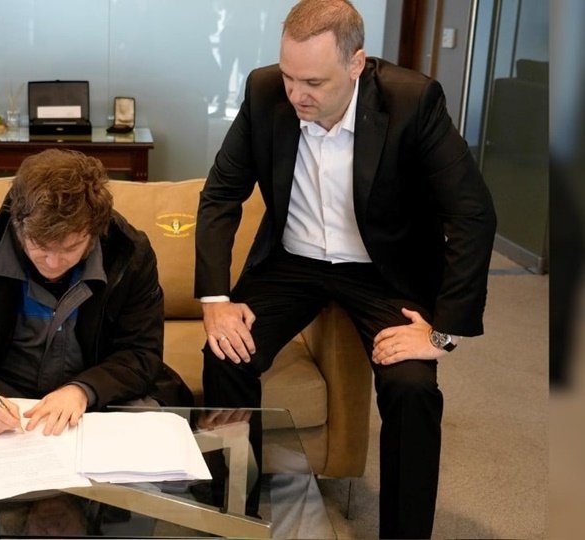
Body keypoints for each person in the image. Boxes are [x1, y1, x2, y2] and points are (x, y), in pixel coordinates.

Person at [194, 1, 497, 538]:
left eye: (313, 81)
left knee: (411, 387)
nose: (296, 94)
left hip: (383, 271)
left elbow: (472, 215)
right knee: (227, 349)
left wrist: (444, 332)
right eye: (289, 76)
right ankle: (235, 509)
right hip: (292, 262)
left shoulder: (412, 101)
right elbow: (221, 194)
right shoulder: (265, 92)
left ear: (357, 63)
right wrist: (215, 302)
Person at [0, 148, 189, 533]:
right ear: (18, 225)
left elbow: (140, 353)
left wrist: (82, 390)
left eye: (71, 249)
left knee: (144, 450)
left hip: (97, 392)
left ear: (96, 230)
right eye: (40, 248)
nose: (54, 264)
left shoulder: (131, 252)